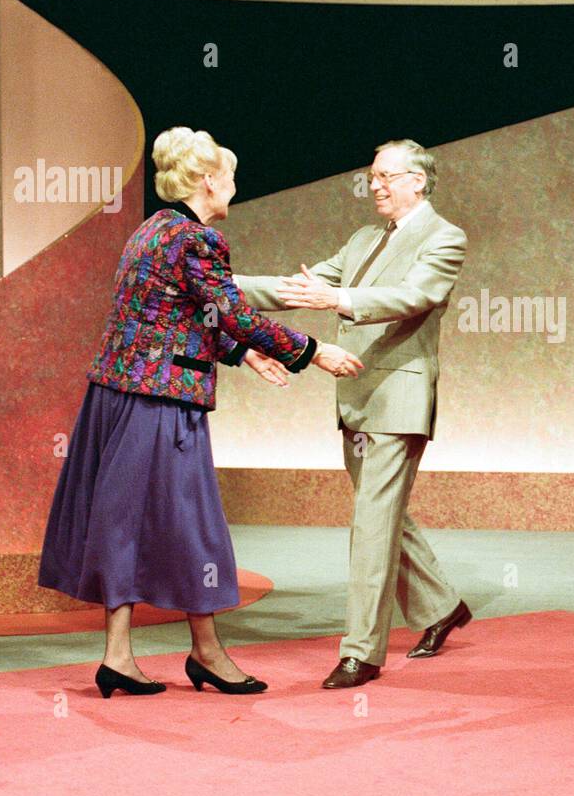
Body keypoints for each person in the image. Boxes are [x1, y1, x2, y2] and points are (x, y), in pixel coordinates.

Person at [38, 127, 363, 698]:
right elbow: (230, 312)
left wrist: (243, 353)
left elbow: (179, 317)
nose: (235, 186)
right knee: (191, 526)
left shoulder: (152, 229)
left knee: (126, 524)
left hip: (117, 395)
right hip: (161, 403)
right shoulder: (198, 240)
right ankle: (205, 652)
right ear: (210, 180)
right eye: (231, 176)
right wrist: (314, 353)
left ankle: (122, 654)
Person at [234, 139, 471, 689]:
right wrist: (218, 285)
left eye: (388, 176)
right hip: (356, 398)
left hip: (399, 399)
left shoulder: (444, 237)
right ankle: (440, 606)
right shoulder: (364, 239)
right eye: (372, 176)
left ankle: (362, 652)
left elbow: (414, 295)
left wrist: (336, 300)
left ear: (419, 180)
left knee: (371, 522)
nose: (377, 186)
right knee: (381, 515)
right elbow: (301, 289)